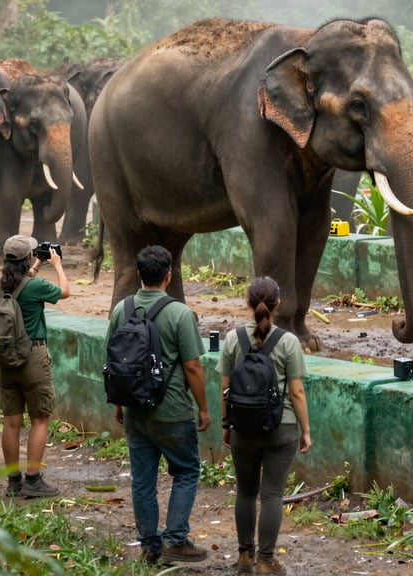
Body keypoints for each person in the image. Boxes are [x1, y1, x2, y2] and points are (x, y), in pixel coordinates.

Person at [106, 245, 211, 566]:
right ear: (169, 276)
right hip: (173, 411)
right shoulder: (179, 313)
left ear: (139, 275)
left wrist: (119, 404)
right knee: (186, 472)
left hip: (136, 409)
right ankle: (175, 540)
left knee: (142, 480)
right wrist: (204, 408)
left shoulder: (120, 310)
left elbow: (111, 362)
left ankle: (150, 546)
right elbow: (193, 366)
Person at [217, 276, 312, 576]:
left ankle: (245, 556)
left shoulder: (233, 339)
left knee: (245, 492)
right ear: (278, 305)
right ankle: (266, 561)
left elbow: (225, 387)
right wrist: (305, 430)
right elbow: (296, 392)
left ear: (247, 303)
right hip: (280, 429)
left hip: (243, 427)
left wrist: (226, 424)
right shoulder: (288, 342)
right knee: (272, 495)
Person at [0, 235, 70, 498]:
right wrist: (56, 264)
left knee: (11, 422)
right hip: (32, 356)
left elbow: (16, 287)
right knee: (39, 418)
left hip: (5, 357)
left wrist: (34, 266)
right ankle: (33, 479)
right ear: (27, 257)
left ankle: (13, 482)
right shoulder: (36, 288)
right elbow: (65, 292)